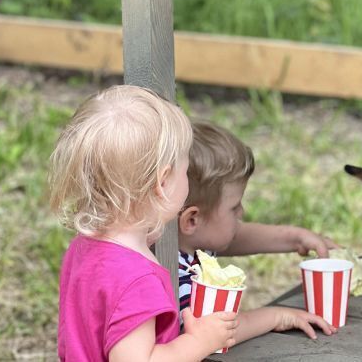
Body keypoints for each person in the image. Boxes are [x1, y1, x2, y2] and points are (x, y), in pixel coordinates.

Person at [49, 85, 238, 362]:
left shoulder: (83, 247)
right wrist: (199, 341)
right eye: (185, 172)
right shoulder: (137, 279)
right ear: (162, 183)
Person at [178, 120, 338, 343]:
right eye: (234, 207)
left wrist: (294, 237)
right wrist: (276, 316)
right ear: (192, 220)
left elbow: (237, 237)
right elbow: (211, 332)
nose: (242, 212)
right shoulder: (175, 274)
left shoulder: (190, 240)